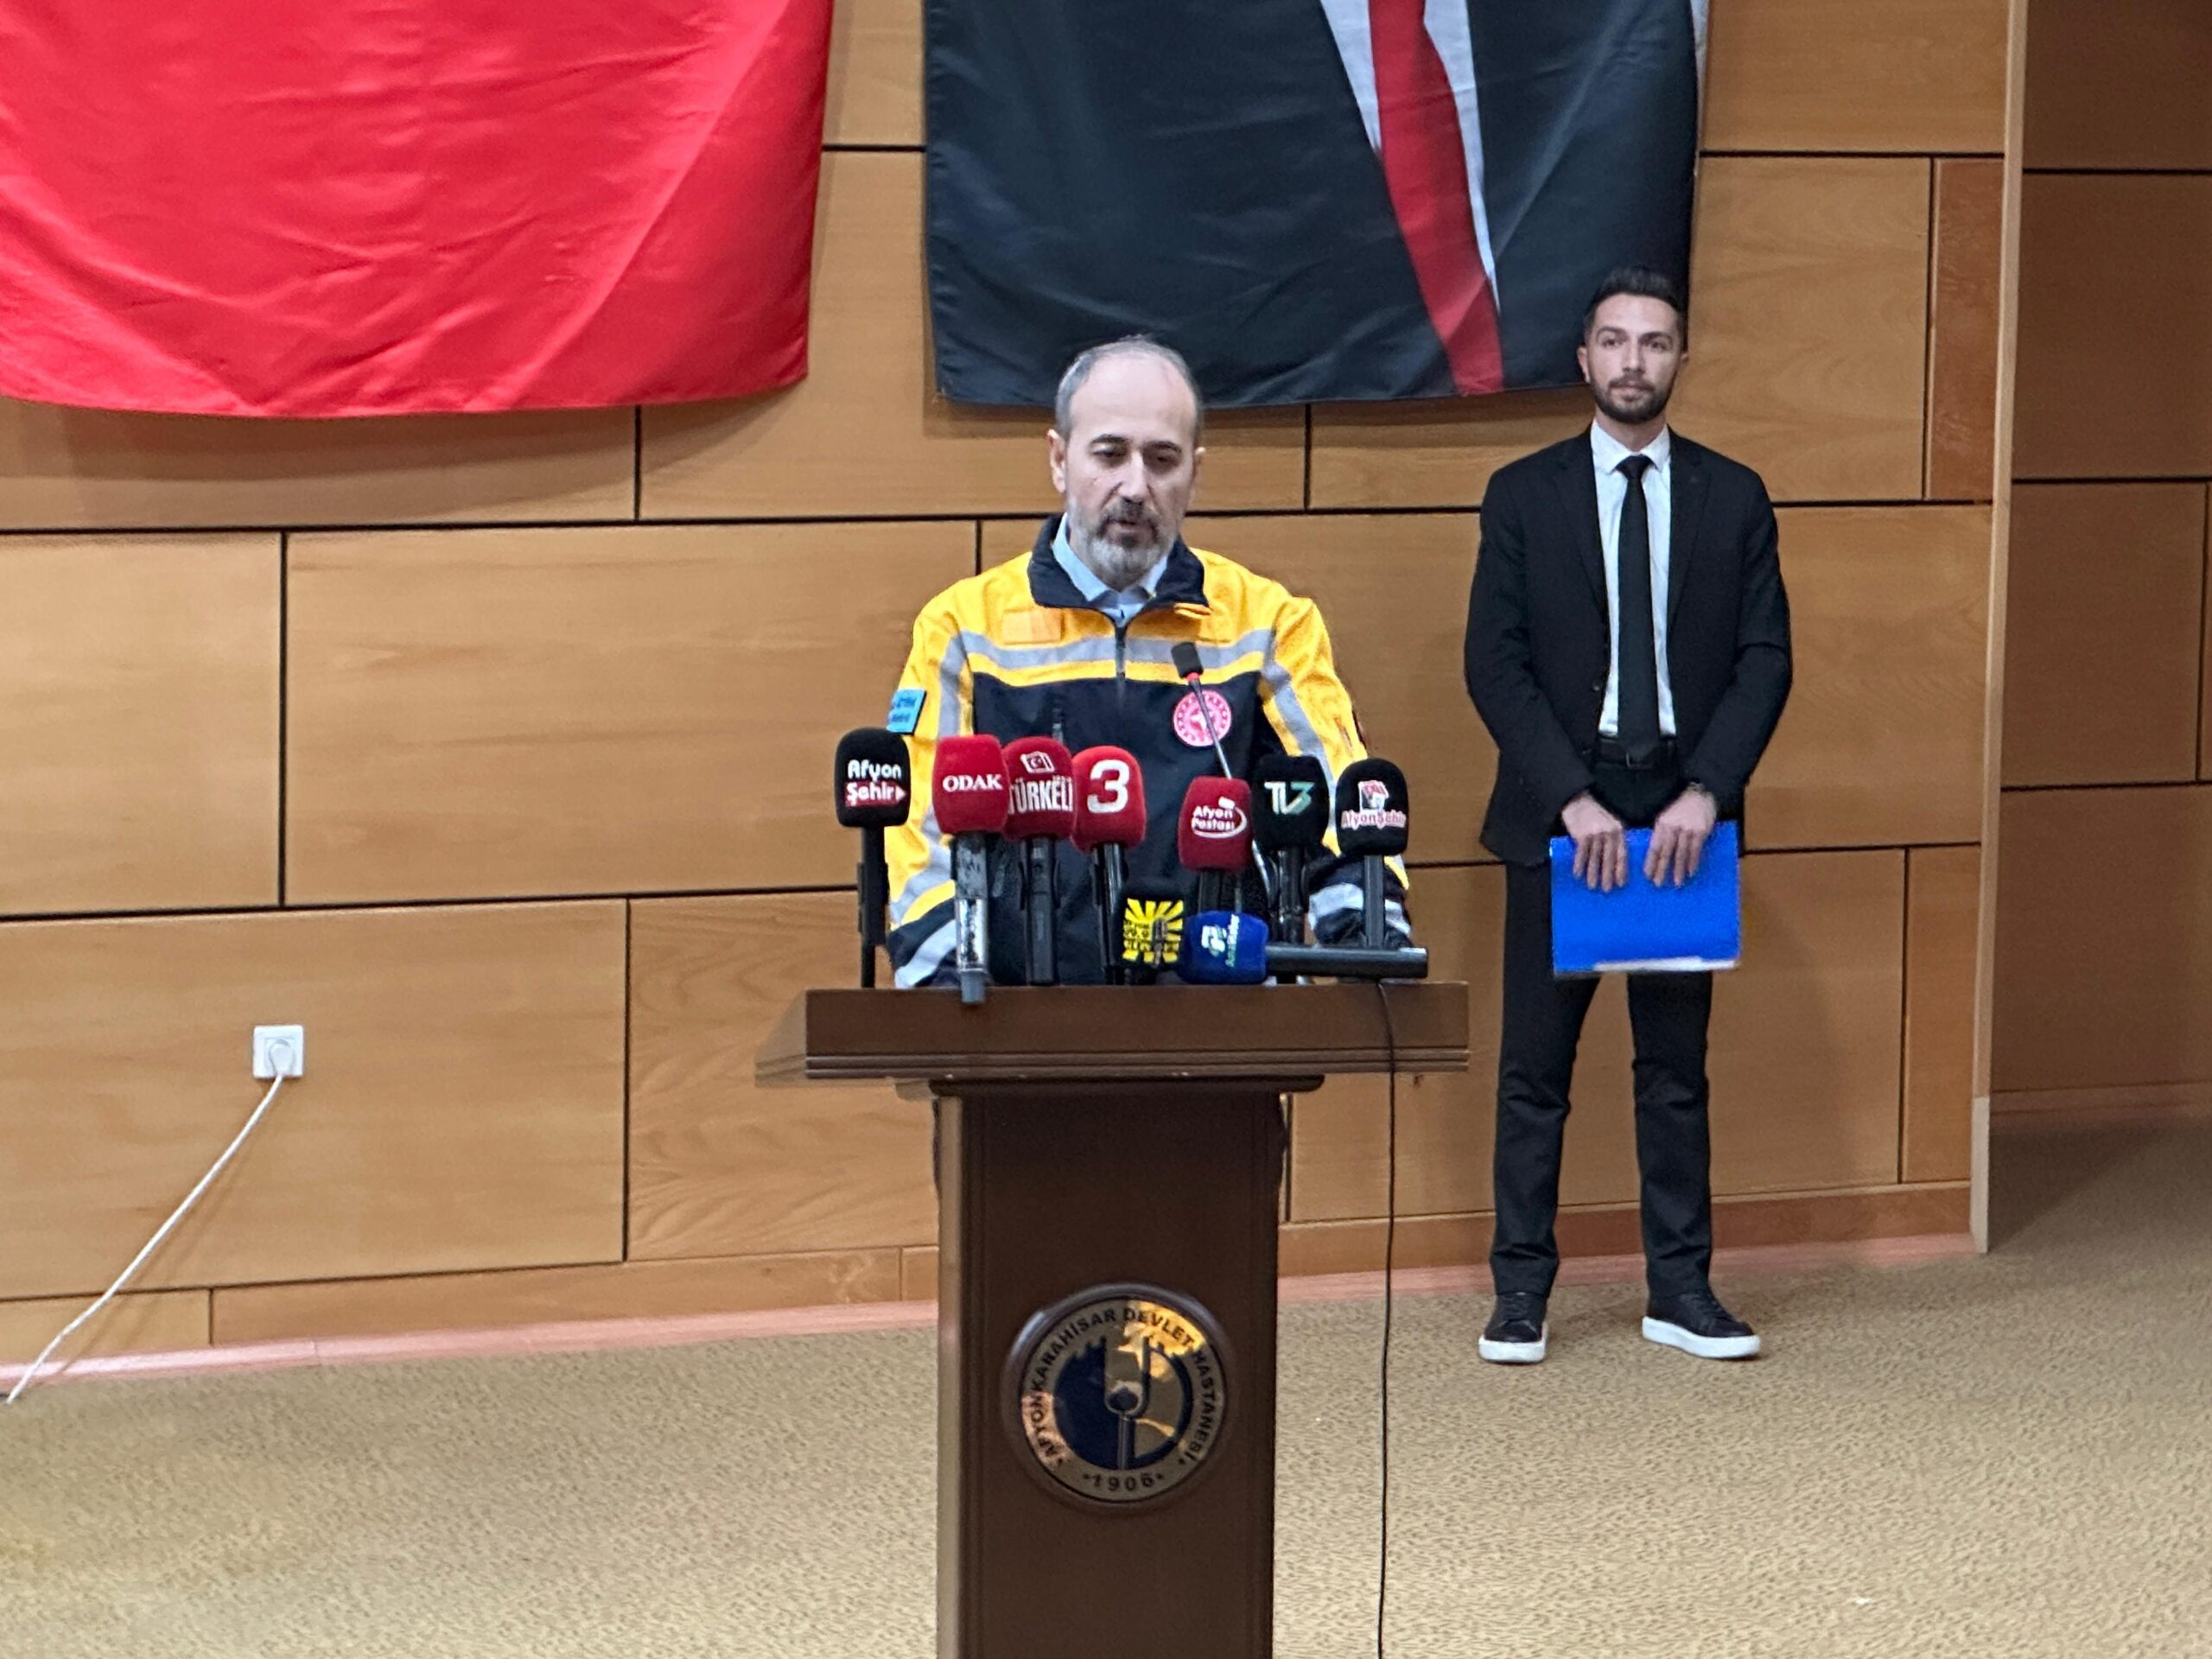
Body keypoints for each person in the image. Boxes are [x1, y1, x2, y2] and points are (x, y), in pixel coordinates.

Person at [1462, 266, 1792, 1364]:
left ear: (1681, 359)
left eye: (1654, 342)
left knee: (1673, 1072)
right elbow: (1494, 662)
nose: (1633, 361)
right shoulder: (1523, 493)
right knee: (1534, 1072)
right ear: (1584, 359)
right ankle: (1520, 1294)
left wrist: (1708, 793)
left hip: (1683, 817)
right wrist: (1571, 797)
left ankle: (1680, 1291)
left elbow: (1764, 659)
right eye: (1614, 341)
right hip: (1561, 812)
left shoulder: (1733, 496)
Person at [886, 339, 1408, 987]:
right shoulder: (963, 627)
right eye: (1109, 454)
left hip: (1228, 1011)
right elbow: (920, 836)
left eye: (1163, 460)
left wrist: (1370, 950)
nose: (1135, 487)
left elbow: (1338, 804)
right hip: (1020, 1013)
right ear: (1059, 460)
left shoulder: (1270, 624)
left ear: (1195, 472)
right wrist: (946, 989)